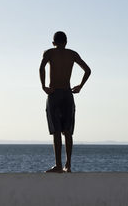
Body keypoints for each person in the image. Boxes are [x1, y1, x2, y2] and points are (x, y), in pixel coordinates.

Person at [39, 31, 91, 173]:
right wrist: (80, 86)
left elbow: (41, 68)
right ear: (66, 42)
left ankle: (58, 165)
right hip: (68, 94)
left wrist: (44, 86)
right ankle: (68, 165)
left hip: (54, 93)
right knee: (67, 131)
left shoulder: (49, 52)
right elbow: (87, 70)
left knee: (56, 131)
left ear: (53, 43)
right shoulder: (72, 54)